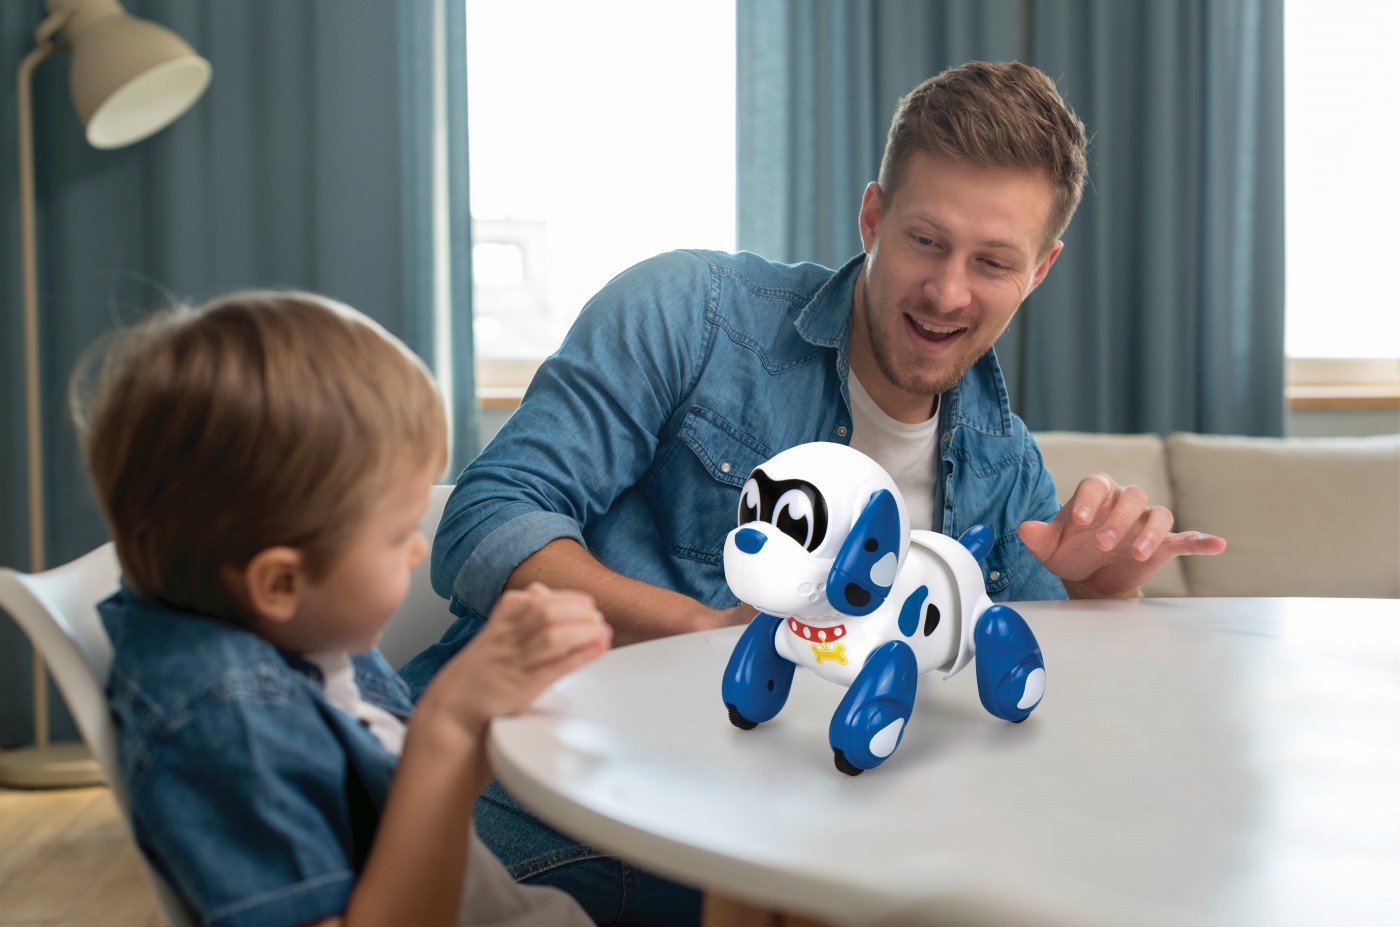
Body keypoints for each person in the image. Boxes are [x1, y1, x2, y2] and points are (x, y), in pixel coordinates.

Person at [401, 60, 1225, 919]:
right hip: (543, 807)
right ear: (873, 218)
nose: (947, 292)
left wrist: (1102, 595)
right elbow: (486, 521)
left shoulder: (1004, 461)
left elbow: (1025, 720)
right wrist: (702, 635)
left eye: (992, 261)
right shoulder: (691, 313)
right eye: (925, 240)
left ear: (1041, 269)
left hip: (791, 851)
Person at [74, 292, 615, 927]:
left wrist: (487, 709)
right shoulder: (232, 729)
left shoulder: (303, 630)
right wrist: (446, 725)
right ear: (280, 582)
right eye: (398, 535)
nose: (418, 549)